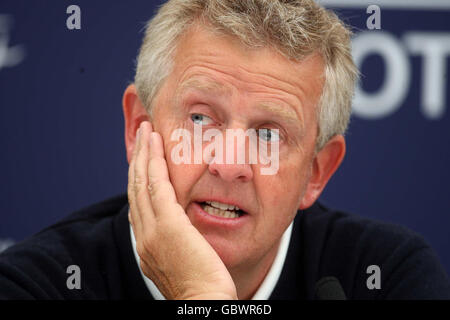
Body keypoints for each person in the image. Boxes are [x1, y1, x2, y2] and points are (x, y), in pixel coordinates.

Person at [1, 0, 449, 300]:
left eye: (268, 134)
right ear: (140, 129)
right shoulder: (33, 285)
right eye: (200, 119)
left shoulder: (387, 276)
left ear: (316, 172)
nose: (229, 163)